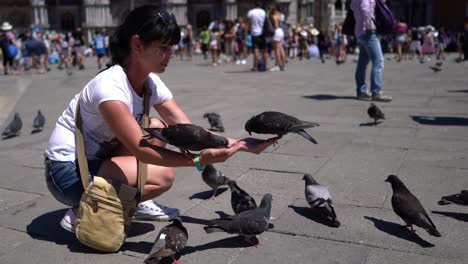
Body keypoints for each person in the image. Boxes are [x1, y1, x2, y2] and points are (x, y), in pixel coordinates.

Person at [44, 5, 278, 233]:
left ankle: (131, 200)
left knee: (155, 127)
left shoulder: (149, 83)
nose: (171, 55)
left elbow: (189, 130)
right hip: (67, 173)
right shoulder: (109, 87)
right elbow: (142, 150)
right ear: (137, 44)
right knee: (162, 176)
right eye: (164, 47)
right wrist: (198, 161)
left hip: (99, 159)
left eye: (171, 47)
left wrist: (243, 145)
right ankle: (82, 211)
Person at [351, 0, 392, 102]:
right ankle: (376, 92)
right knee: (378, 61)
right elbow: (365, 8)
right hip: (368, 32)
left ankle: (361, 91)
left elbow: (353, 7)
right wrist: (370, 24)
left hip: (360, 31)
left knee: (362, 63)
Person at [247, 1, 268, 71]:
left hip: (255, 33)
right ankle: (265, 66)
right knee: (264, 50)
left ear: (254, 4)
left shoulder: (251, 12)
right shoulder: (263, 12)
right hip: (263, 33)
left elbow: (249, 22)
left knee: (256, 49)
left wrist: (249, 29)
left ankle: (255, 66)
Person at [268, 3, 286, 71]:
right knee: (281, 49)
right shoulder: (280, 15)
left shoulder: (273, 16)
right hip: (281, 31)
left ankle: (277, 66)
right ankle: (283, 65)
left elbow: (275, 26)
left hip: (277, 31)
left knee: (277, 50)